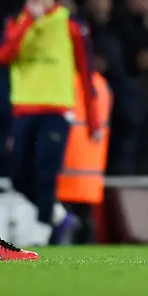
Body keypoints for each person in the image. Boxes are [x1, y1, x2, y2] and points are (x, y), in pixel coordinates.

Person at [0, 0, 98, 237]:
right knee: (17, 176)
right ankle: (60, 218)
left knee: (45, 172)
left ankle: (55, 229)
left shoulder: (70, 24)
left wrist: (94, 120)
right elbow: (3, 56)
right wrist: (29, 21)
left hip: (56, 109)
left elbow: (86, 72)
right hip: (24, 109)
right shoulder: (16, 21)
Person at [53, 70, 113, 244]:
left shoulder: (64, 81)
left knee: (62, 219)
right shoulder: (100, 84)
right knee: (85, 218)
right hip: (91, 169)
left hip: (65, 168)